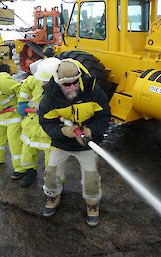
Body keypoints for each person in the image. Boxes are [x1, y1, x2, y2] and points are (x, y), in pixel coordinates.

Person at [38, 58, 111, 226]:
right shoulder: (50, 97)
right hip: (61, 143)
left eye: (75, 82)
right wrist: (62, 131)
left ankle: (92, 205)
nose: (72, 87)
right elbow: (45, 122)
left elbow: (104, 117)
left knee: (91, 178)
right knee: (51, 174)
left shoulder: (94, 91)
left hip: (86, 144)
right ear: (57, 82)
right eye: (67, 85)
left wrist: (90, 131)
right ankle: (53, 195)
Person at [15, 57, 61, 187]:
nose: (43, 84)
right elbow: (25, 86)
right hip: (32, 123)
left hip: (50, 127)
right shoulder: (36, 78)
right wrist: (22, 103)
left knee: (52, 159)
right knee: (28, 152)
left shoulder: (64, 85)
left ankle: (54, 183)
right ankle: (30, 172)